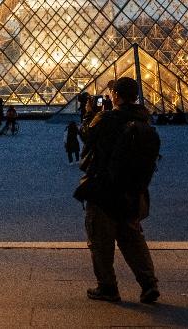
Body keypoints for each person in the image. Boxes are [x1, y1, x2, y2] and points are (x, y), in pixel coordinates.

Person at [76, 76, 159, 305]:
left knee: (100, 241)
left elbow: (86, 136)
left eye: (113, 93)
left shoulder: (108, 118)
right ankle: (149, 284)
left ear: (116, 95)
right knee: (132, 240)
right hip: (133, 192)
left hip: (104, 190)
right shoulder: (144, 121)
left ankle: (108, 287)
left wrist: (89, 113)